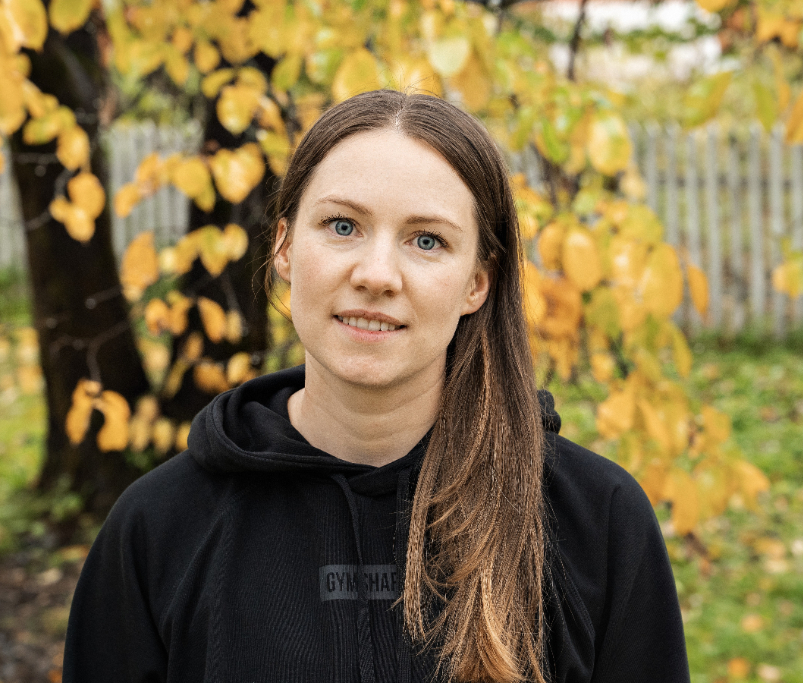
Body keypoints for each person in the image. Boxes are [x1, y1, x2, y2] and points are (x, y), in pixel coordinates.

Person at [63, 89, 690, 683]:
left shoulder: (597, 523)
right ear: (284, 248)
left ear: (477, 283)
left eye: (427, 241)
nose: (377, 275)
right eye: (343, 226)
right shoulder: (157, 530)